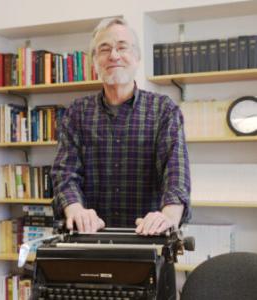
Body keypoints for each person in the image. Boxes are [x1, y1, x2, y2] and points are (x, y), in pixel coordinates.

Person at [51, 17, 191, 235]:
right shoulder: (76, 113)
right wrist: (76, 210)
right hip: (89, 241)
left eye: (122, 47)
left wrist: (167, 217)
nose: (114, 55)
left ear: (136, 57)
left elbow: (176, 174)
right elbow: (64, 174)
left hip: (149, 241)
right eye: (104, 49)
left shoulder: (164, 110)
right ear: (94, 61)